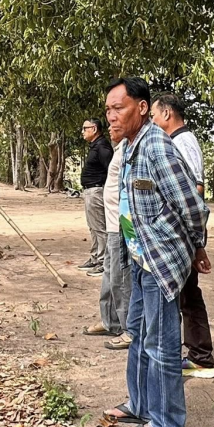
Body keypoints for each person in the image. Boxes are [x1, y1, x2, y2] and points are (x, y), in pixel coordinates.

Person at [102, 78, 210, 427]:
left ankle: (168, 426)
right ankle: (140, 404)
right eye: (108, 110)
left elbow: (193, 206)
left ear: (143, 108)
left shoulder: (157, 147)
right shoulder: (131, 147)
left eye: (119, 108)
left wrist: (196, 247)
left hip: (160, 260)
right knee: (138, 334)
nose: (111, 117)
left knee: (161, 343)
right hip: (138, 256)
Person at [152, 92, 214, 380]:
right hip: (181, 233)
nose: (152, 121)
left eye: (154, 115)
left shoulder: (182, 142)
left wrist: (194, 239)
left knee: (188, 295)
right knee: (185, 295)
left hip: (183, 234)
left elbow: (195, 191)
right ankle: (195, 353)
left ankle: (201, 356)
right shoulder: (175, 140)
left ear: (167, 114)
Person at [84, 131, 131, 348]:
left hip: (121, 225)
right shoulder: (119, 148)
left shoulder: (131, 149)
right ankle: (110, 321)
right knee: (109, 276)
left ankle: (128, 328)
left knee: (120, 279)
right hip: (112, 224)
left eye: (117, 118)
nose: (111, 125)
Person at [79, 118, 114, 276]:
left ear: (94, 129)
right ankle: (95, 257)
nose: (83, 132)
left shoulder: (102, 147)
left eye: (85, 128)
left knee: (100, 227)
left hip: (96, 190)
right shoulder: (95, 146)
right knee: (93, 226)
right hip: (89, 191)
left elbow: (111, 170)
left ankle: (103, 261)